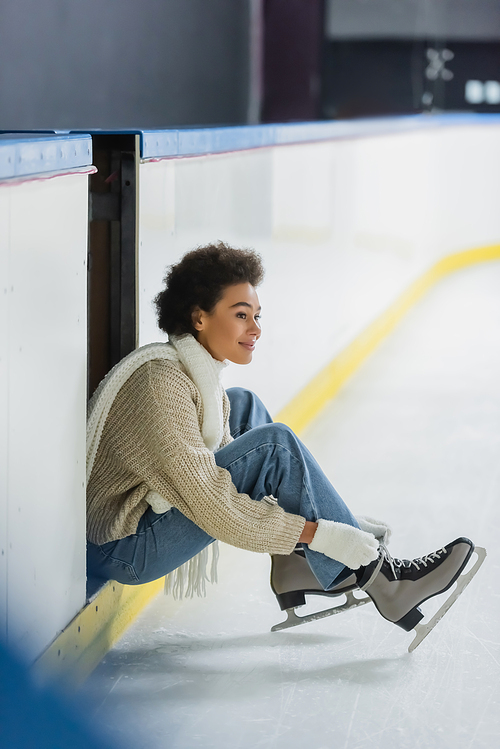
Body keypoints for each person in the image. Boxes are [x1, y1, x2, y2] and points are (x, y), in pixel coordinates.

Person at [86, 242, 484, 648]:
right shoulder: (161, 385)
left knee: (243, 406)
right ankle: (387, 584)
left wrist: (323, 528)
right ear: (198, 317)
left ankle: (294, 566)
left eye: (256, 316)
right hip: (123, 546)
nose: (255, 329)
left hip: (138, 528)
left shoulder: (188, 373)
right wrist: (320, 533)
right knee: (274, 446)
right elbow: (212, 504)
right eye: (241, 315)